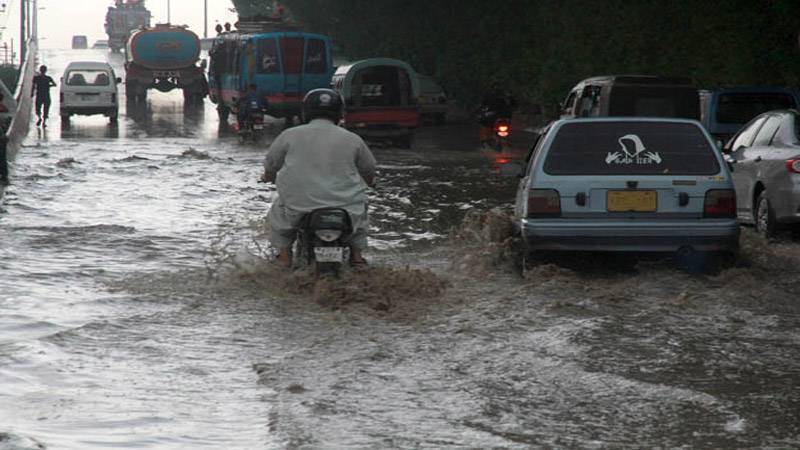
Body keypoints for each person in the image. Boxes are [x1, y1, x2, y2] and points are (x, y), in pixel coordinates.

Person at [261, 89, 376, 268]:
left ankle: (284, 257)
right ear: (339, 112)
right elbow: (368, 169)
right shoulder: (352, 139)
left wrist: (267, 177)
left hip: (299, 206)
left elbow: (271, 165)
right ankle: (357, 257)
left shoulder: (289, 135)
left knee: (279, 216)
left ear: (306, 111)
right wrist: (371, 182)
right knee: (361, 215)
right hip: (345, 207)